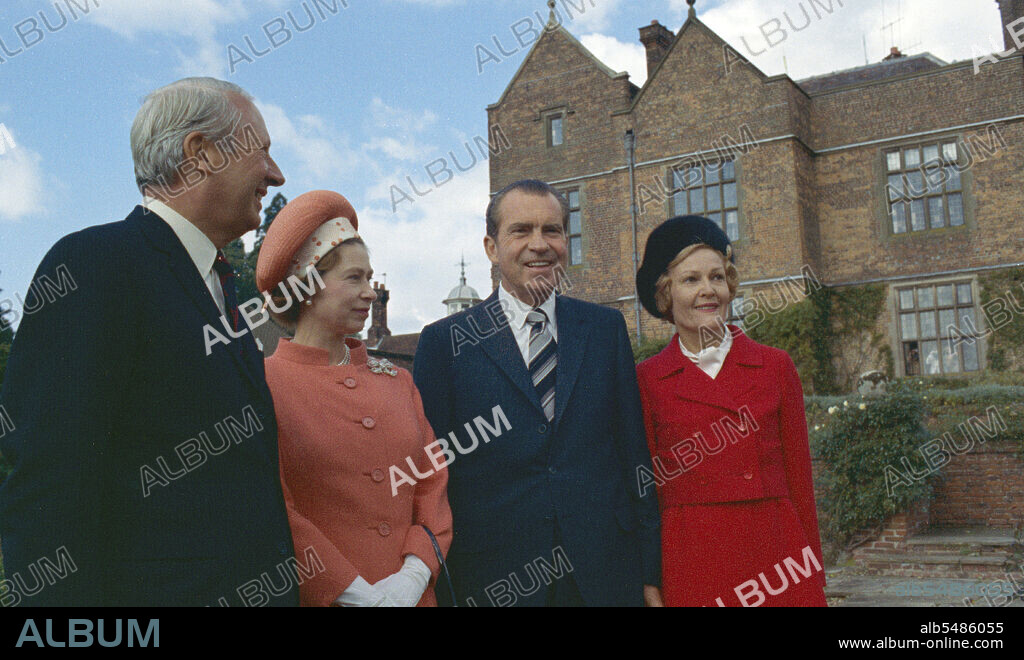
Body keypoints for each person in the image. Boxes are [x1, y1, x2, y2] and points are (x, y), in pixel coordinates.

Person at [0, 78, 295, 606]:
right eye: (263, 150)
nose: (275, 175)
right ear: (200, 152)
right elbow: (49, 491)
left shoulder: (222, 289)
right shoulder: (94, 265)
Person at [414, 179, 661, 607]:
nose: (540, 244)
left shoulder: (605, 329)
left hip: (603, 574)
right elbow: (431, 476)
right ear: (491, 247)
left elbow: (633, 455)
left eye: (552, 230)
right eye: (521, 230)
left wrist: (650, 572)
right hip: (493, 579)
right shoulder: (445, 343)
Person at [255, 190, 452, 607]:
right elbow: (274, 504)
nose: (371, 293)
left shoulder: (399, 382)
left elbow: (431, 485)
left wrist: (414, 576)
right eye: (353, 278)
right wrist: (353, 591)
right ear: (307, 286)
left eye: (370, 277)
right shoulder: (263, 385)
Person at [634, 215, 826, 607]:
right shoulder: (646, 380)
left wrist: (813, 574)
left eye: (717, 277)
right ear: (666, 294)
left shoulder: (775, 366)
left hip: (777, 557)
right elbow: (643, 498)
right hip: (692, 563)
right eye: (691, 280)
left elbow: (801, 485)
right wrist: (650, 585)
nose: (708, 291)